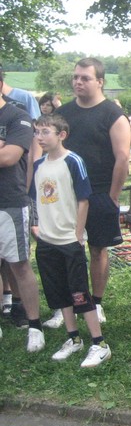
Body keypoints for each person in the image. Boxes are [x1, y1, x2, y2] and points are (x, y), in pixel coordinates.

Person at [30, 113, 111, 367]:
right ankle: (74, 338)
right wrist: (38, 227)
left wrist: (78, 234)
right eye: (37, 132)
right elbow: (37, 199)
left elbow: (83, 200)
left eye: (45, 132)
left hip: (69, 240)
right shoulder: (38, 165)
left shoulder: (73, 161)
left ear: (61, 135)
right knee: (59, 292)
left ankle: (99, 344)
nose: (39, 137)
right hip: (47, 241)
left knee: (79, 293)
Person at [57, 57, 131, 324]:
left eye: (85, 78)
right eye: (75, 77)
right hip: (67, 193)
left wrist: (113, 195)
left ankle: (96, 303)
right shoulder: (62, 114)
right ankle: (67, 304)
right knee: (65, 249)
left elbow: (122, 158)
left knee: (98, 249)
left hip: (100, 192)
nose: (78, 82)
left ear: (100, 81)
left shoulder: (113, 114)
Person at [0, 66, 42, 350]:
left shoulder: (17, 116)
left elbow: (10, 157)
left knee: (20, 265)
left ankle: (34, 325)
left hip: (9, 201)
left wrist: (6, 148)